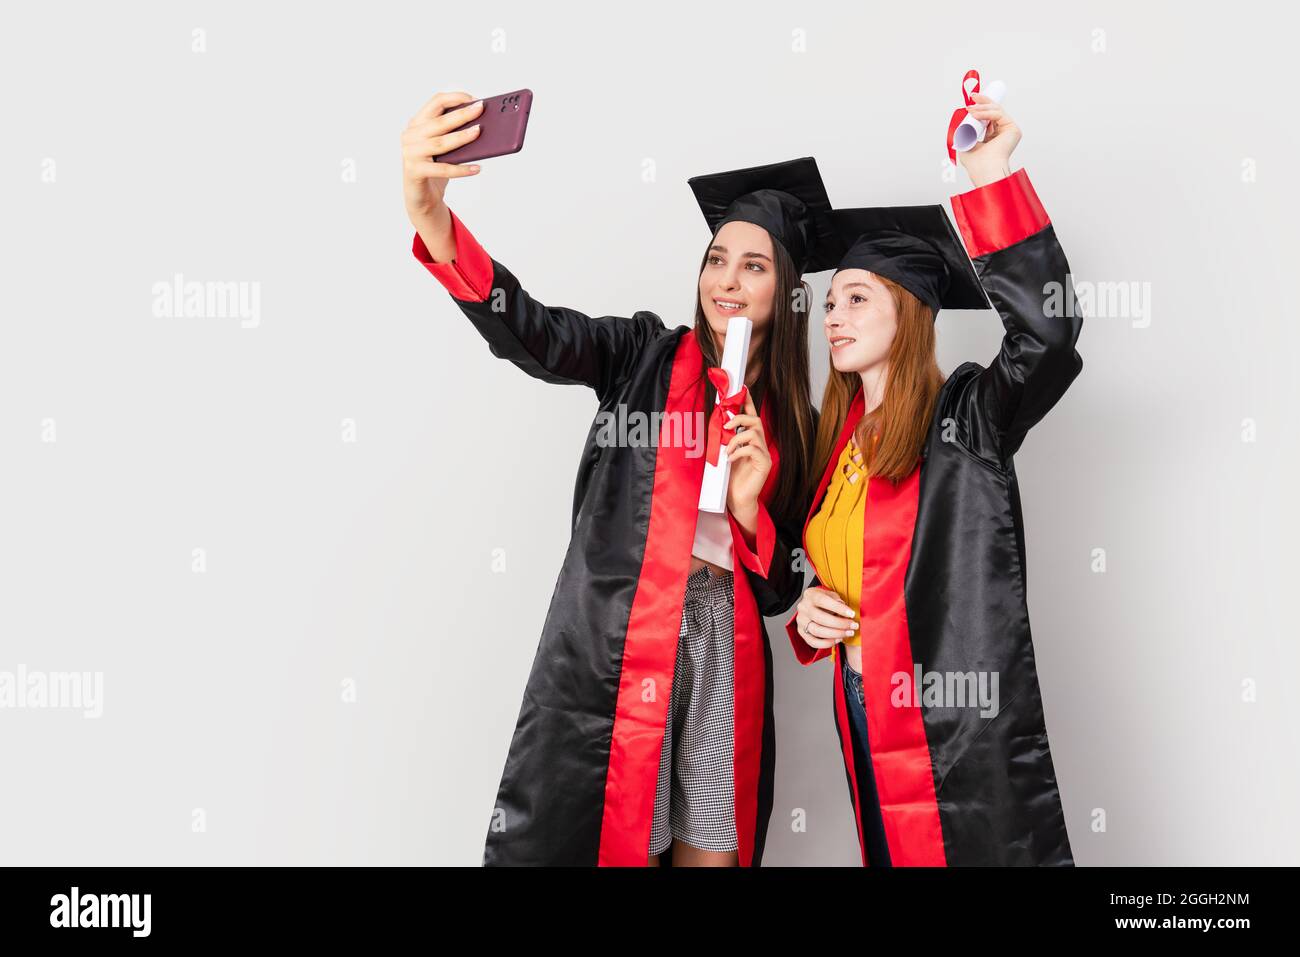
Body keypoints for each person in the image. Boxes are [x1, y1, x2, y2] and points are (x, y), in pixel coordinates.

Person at [401, 91, 831, 865]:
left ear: (787, 288)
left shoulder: (797, 425)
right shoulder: (641, 356)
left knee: (711, 852)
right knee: (615, 842)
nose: (727, 279)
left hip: (723, 647)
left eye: (755, 264)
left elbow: (782, 594)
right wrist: (432, 215)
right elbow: (530, 331)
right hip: (624, 636)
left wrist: (749, 505)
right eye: (717, 259)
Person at [791, 91, 1080, 865]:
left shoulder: (967, 420)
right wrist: (811, 606)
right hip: (859, 705)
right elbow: (836, 564)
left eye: (857, 298)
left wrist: (988, 174)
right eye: (829, 302)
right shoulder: (842, 441)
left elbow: (1048, 339)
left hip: (948, 723)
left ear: (911, 310)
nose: (834, 317)